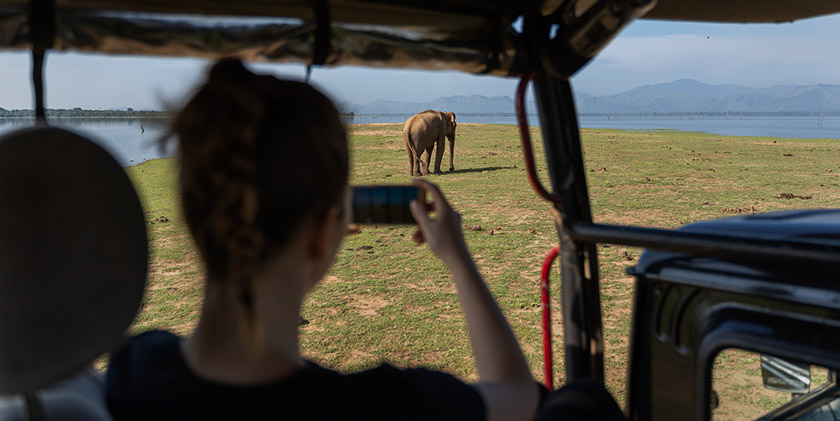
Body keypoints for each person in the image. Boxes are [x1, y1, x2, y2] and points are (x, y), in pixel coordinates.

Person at [106, 59, 538, 420]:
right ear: (322, 232)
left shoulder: (132, 368)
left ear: (194, 216)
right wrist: (459, 260)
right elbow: (519, 394)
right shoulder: (391, 405)